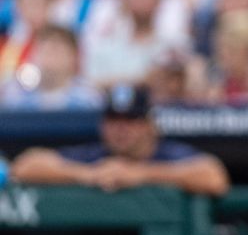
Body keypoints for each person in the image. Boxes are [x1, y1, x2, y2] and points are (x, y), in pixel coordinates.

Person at [10, 84, 229, 196]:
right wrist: (89, 174)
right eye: (114, 120)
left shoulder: (168, 153)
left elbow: (214, 178)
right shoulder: (96, 156)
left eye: (131, 120)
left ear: (149, 125)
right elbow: (24, 167)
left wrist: (140, 174)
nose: (121, 129)